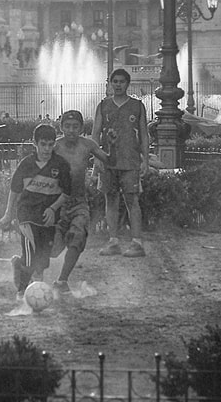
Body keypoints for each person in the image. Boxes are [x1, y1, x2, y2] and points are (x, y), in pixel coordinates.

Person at [0, 123, 72, 300]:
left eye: (50, 144)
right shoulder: (26, 165)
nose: (47, 149)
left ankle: (20, 265)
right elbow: (14, 190)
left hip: (48, 217)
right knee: (31, 254)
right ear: (35, 144)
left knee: (43, 257)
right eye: (43, 144)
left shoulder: (60, 165)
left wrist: (53, 208)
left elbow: (67, 192)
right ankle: (22, 291)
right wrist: (8, 214)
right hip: (26, 215)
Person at [50, 110, 110, 295]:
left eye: (75, 126)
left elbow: (109, 160)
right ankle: (24, 265)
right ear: (61, 128)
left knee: (77, 238)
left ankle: (62, 281)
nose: (71, 130)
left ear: (81, 128)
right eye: (67, 126)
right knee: (53, 249)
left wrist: (113, 144)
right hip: (57, 203)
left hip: (79, 203)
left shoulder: (88, 145)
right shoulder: (55, 146)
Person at [92, 68, 149, 258]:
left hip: (131, 161)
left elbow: (143, 135)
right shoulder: (103, 105)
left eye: (121, 81)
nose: (118, 85)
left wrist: (146, 160)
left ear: (127, 83)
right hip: (108, 161)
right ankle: (113, 240)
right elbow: (95, 134)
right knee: (110, 200)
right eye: (114, 81)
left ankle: (137, 242)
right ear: (109, 83)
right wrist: (96, 159)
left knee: (132, 200)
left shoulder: (137, 106)